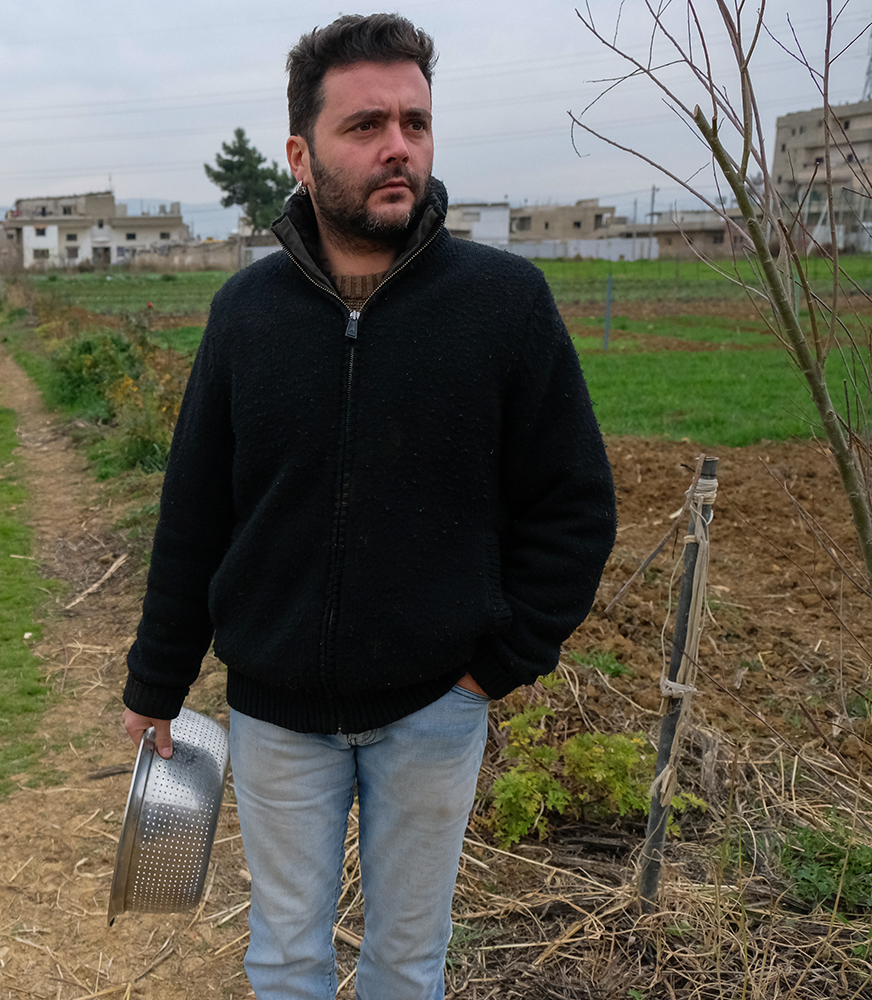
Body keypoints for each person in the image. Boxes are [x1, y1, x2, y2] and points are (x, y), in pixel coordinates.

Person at [120, 13, 617, 1000]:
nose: (399, 146)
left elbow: (574, 505)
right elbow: (195, 515)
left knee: (405, 966)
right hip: (274, 717)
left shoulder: (504, 304)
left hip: (437, 705)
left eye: (415, 122)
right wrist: (156, 682)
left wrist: (494, 667)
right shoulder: (245, 316)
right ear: (301, 155)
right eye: (366, 126)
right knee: (286, 960)